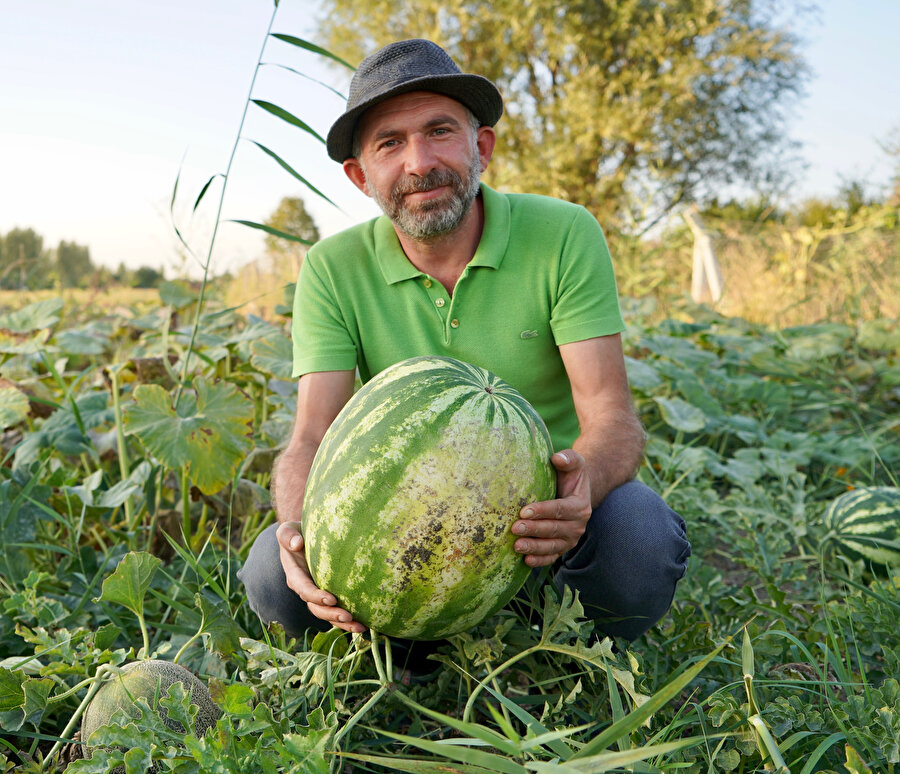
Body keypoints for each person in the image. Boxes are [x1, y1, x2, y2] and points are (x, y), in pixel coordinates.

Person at [238, 38, 690, 646]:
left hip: (541, 529)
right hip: (401, 538)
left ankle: (546, 641)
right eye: (389, 143)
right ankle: (421, 640)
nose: (419, 161)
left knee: (641, 537)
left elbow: (613, 417)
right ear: (359, 175)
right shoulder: (331, 268)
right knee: (273, 573)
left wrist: (583, 486)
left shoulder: (563, 233)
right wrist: (296, 527)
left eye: (439, 131)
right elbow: (310, 440)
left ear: (481, 146)